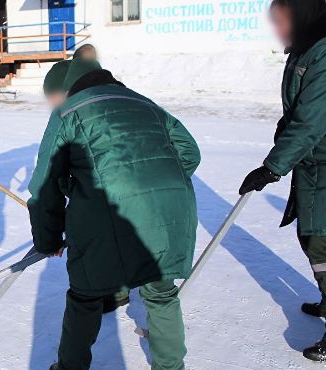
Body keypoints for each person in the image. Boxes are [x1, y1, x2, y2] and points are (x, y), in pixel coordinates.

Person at [29, 58, 200, 370]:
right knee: (161, 294)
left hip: (107, 213)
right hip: (172, 211)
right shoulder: (143, 102)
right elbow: (189, 152)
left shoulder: (68, 111)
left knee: (85, 296)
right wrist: (154, 181)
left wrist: (48, 238)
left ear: (67, 90)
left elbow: (44, 185)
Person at [239, 0, 326, 363]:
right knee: (314, 237)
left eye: (281, 19)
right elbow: (302, 110)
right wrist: (286, 128)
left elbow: (311, 121)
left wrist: (272, 167)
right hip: (318, 162)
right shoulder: (309, 47)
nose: (277, 27)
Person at [42, 59, 131, 314]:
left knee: (98, 232)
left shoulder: (71, 112)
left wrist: (50, 235)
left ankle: (98, 295)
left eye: (53, 97)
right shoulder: (128, 99)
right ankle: (120, 290)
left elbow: (46, 180)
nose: (52, 104)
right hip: (136, 191)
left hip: (106, 192)